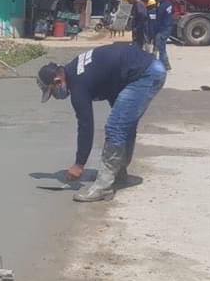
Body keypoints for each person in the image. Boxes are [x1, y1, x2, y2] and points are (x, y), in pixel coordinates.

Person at [37, 42, 167, 202]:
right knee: (123, 124)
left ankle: (103, 186)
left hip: (145, 75)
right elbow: (110, 83)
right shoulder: (74, 69)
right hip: (144, 68)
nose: (57, 96)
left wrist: (79, 164)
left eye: (53, 92)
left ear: (58, 81)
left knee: (115, 128)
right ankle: (118, 173)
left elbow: (86, 126)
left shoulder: (78, 86)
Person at [154, 0, 174, 71]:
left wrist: (155, 31)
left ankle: (164, 65)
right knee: (163, 47)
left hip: (163, 29)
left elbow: (158, 20)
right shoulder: (169, 4)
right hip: (168, 27)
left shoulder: (161, 7)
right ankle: (166, 64)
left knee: (161, 48)